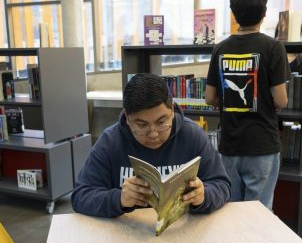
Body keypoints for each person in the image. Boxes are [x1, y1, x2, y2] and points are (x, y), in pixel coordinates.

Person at [72, 73, 230, 217]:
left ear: (172, 110)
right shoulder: (110, 142)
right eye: (142, 125)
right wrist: (119, 199)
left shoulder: (193, 136)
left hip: (183, 233)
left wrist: (204, 196)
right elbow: (80, 196)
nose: (153, 134)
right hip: (126, 236)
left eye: (162, 122)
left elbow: (222, 185)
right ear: (127, 117)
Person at [205, 0, 290, 209]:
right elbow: (281, 100)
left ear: (233, 13)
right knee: (258, 215)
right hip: (262, 144)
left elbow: (210, 97)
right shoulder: (273, 48)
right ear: (264, 13)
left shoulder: (220, 49)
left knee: (231, 210)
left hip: (230, 144)